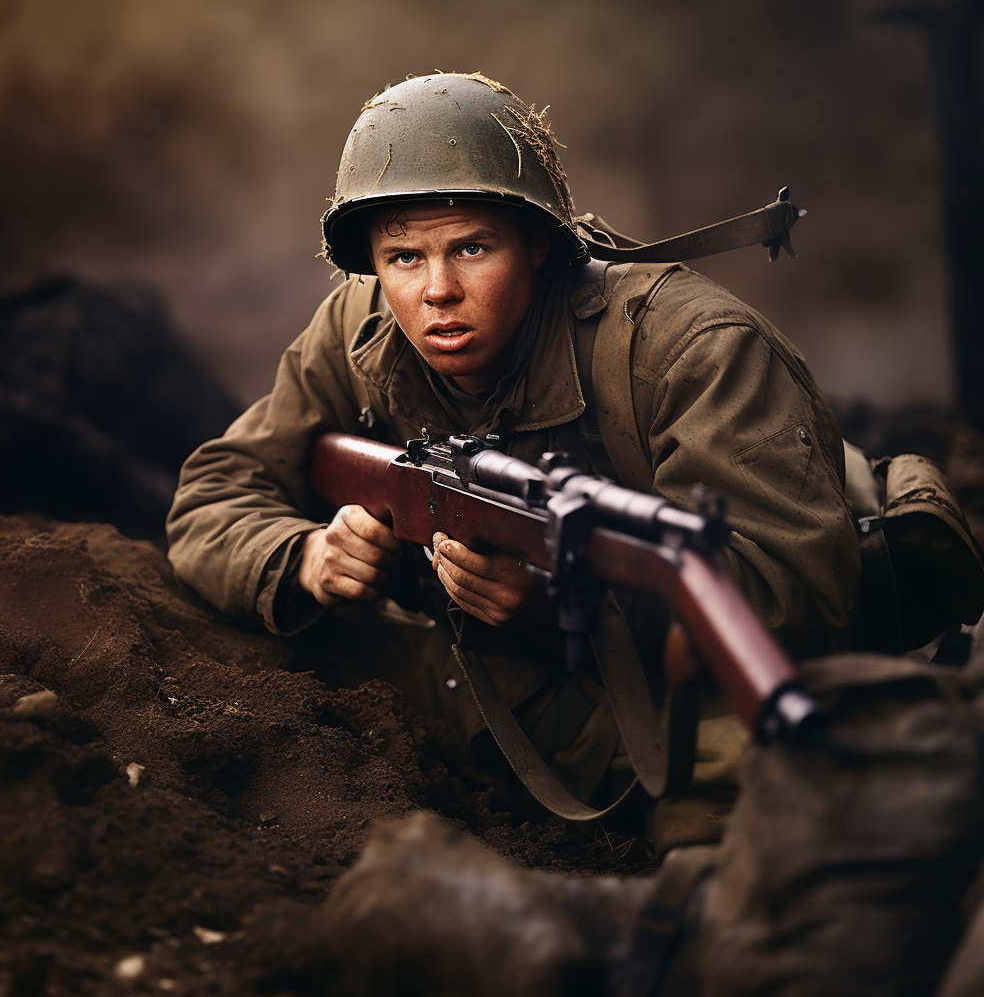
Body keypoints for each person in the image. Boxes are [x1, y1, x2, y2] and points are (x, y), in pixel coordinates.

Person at [166, 72, 860, 850]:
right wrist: (305, 556)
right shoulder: (358, 332)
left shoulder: (690, 352)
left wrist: (566, 602)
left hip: (675, 703)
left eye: (471, 247)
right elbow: (212, 495)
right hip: (488, 688)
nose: (437, 290)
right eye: (402, 257)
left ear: (538, 243)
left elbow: (802, 601)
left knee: (759, 826)